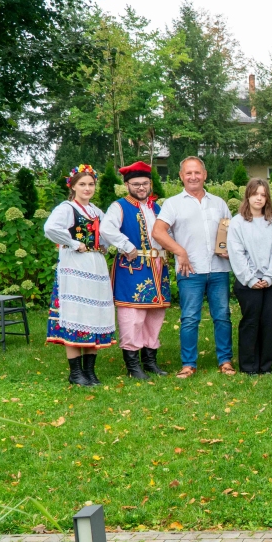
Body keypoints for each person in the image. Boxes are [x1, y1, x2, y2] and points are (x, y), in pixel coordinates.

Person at [152, 156, 234, 378]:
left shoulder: (218, 203)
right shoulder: (173, 204)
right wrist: (180, 251)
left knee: (222, 316)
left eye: (197, 172)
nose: (193, 177)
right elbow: (158, 231)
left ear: (205, 175)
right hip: (190, 270)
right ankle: (188, 364)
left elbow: (229, 230)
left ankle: (225, 361)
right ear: (181, 176)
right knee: (189, 318)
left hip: (218, 268)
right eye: (188, 173)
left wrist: (228, 248)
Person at [44, 164, 116, 386]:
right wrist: (74, 243)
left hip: (95, 265)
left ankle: (89, 371)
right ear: (73, 186)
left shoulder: (96, 211)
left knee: (93, 314)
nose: (87, 188)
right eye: (82, 184)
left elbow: (107, 233)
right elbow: (50, 228)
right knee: (76, 314)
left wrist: (104, 245)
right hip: (74, 267)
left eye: (91, 184)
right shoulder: (67, 208)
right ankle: (75, 373)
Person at [100, 161, 171, 380]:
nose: (141, 188)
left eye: (145, 183)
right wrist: (127, 246)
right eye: (136, 184)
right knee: (133, 316)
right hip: (133, 267)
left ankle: (150, 361)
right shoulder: (119, 206)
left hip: (158, 267)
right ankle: (133, 365)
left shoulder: (156, 207)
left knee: (155, 314)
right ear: (127, 185)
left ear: (150, 184)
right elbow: (106, 229)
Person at [227, 179, 272, 375]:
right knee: (251, 322)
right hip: (248, 282)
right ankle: (248, 366)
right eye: (255, 194)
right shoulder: (238, 222)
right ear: (248, 196)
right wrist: (251, 279)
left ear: (267, 198)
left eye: (263, 195)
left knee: (269, 322)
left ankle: (265, 365)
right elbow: (236, 253)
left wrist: (269, 277)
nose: (259, 198)